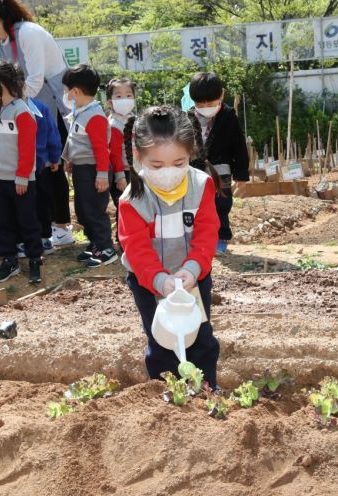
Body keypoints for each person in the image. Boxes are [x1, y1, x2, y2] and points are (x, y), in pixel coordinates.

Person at [118, 106, 221, 388]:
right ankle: (167, 393)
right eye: (157, 165)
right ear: (138, 156)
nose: (169, 173)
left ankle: (206, 388)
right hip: (149, 281)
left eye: (179, 163)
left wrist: (193, 268)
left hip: (193, 277)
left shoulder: (201, 186)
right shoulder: (132, 200)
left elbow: (207, 232)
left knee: (199, 335)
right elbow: (137, 250)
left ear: (191, 155)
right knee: (163, 338)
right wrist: (160, 280)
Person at [0, 0, 73, 245]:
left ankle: (61, 226)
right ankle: (40, 224)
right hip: (21, 106)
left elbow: (36, 80)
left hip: (50, 103)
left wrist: (14, 107)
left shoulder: (28, 33)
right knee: (30, 163)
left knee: (51, 162)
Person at [0, 61, 42, 284]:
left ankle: (35, 258)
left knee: (27, 221)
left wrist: (23, 175)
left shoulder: (22, 112)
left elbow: (27, 148)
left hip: (21, 180)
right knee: (3, 222)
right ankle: (9, 259)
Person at [61, 64, 117, 268]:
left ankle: (106, 248)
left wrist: (102, 174)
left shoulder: (94, 116)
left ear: (75, 91)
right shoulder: (81, 112)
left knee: (94, 210)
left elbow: (102, 149)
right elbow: (74, 139)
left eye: (66, 91)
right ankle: (95, 244)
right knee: (84, 209)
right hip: (82, 168)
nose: (65, 95)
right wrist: (70, 159)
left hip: (94, 170)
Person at [187, 72, 249, 255]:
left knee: (221, 204)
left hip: (221, 168)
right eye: (200, 103)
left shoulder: (229, 116)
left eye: (210, 103)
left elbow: (239, 145)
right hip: (194, 170)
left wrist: (241, 173)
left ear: (221, 95)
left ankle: (220, 238)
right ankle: (197, 240)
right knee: (196, 205)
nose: (205, 107)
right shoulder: (187, 117)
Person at [30, 97, 62, 257]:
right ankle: (42, 238)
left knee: (39, 202)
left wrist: (55, 157)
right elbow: (52, 133)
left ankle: (41, 238)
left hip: (38, 164)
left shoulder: (38, 107)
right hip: (39, 162)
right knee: (41, 201)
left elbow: (51, 132)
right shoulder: (39, 105)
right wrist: (54, 156)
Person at [105, 77, 134, 237]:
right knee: (124, 206)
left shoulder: (133, 119)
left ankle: (130, 235)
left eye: (129, 95)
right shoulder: (114, 125)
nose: (125, 99)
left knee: (133, 206)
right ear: (110, 102)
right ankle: (123, 237)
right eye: (119, 96)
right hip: (123, 172)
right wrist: (119, 176)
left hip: (134, 170)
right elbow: (114, 154)